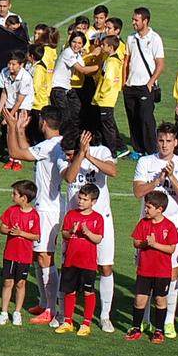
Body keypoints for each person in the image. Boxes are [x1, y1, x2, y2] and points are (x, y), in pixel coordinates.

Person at [132, 122, 178, 338]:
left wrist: (171, 177)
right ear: (156, 140)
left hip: (171, 230)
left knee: (172, 274)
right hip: (147, 229)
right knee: (144, 273)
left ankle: (168, 322)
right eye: (161, 140)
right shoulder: (145, 162)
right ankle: (146, 320)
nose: (165, 145)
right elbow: (138, 192)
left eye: (169, 141)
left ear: (176, 143)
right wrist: (158, 180)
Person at [4, 106, 64, 326]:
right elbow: (28, 149)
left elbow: (16, 153)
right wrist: (20, 130)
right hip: (50, 207)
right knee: (39, 258)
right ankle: (43, 301)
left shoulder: (50, 146)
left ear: (44, 123)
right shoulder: (56, 144)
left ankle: (51, 308)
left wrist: (11, 127)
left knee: (45, 258)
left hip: (48, 210)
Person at [59, 130, 118, 333]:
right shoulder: (65, 156)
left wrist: (89, 155)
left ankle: (104, 316)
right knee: (69, 268)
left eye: (70, 154)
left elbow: (112, 171)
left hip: (101, 221)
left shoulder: (101, 151)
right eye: (66, 155)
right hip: (74, 222)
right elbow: (69, 177)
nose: (66, 157)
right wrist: (78, 156)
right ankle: (64, 315)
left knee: (105, 267)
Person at [125, 191, 178, 344]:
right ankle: (136, 328)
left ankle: (159, 331)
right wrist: (144, 244)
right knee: (139, 300)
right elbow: (136, 242)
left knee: (160, 300)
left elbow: (171, 249)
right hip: (144, 270)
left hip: (162, 272)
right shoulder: (143, 223)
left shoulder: (169, 226)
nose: (146, 210)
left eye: (148, 207)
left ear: (159, 209)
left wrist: (154, 244)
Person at [54, 184, 104, 337]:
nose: (80, 201)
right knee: (70, 291)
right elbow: (64, 234)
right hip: (71, 260)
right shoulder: (71, 215)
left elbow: (98, 238)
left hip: (88, 263)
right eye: (80, 198)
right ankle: (68, 321)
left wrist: (87, 232)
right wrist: (71, 232)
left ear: (93, 202)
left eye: (85, 199)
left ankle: (86, 323)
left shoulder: (97, 218)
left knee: (88, 292)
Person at [0, 180, 41, 326]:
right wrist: (10, 231)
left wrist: (21, 233)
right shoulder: (11, 211)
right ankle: (3, 312)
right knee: (7, 282)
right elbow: (2, 228)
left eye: (14, 194)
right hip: (10, 254)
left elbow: (36, 236)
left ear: (24, 198)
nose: (12, 196)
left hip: (24, 256)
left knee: (21, 283)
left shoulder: (34, 216)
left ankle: (17, 312)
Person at [123, 7, 165, 159]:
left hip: (146, 86)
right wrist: (124, 82)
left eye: (136, 20)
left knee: (146, 118)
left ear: (145, 21)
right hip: (130, 85)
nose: (133, 22)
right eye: (133, 19)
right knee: (133, 118)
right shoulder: (130, 38)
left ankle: (152, 150)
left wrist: (150, 82)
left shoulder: (155, 39)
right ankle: (138, 149)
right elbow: (126, 61)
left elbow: (160, 64)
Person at [91, 35, 126, 158]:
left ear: (110, 47)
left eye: (104, 45)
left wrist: (101, 93)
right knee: (104, 125)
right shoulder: (111, 59)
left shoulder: (112, 62)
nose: (101, 46)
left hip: (105, 99)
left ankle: (112, 152)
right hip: (105, 99)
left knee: (107, 127)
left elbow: (108, 80)